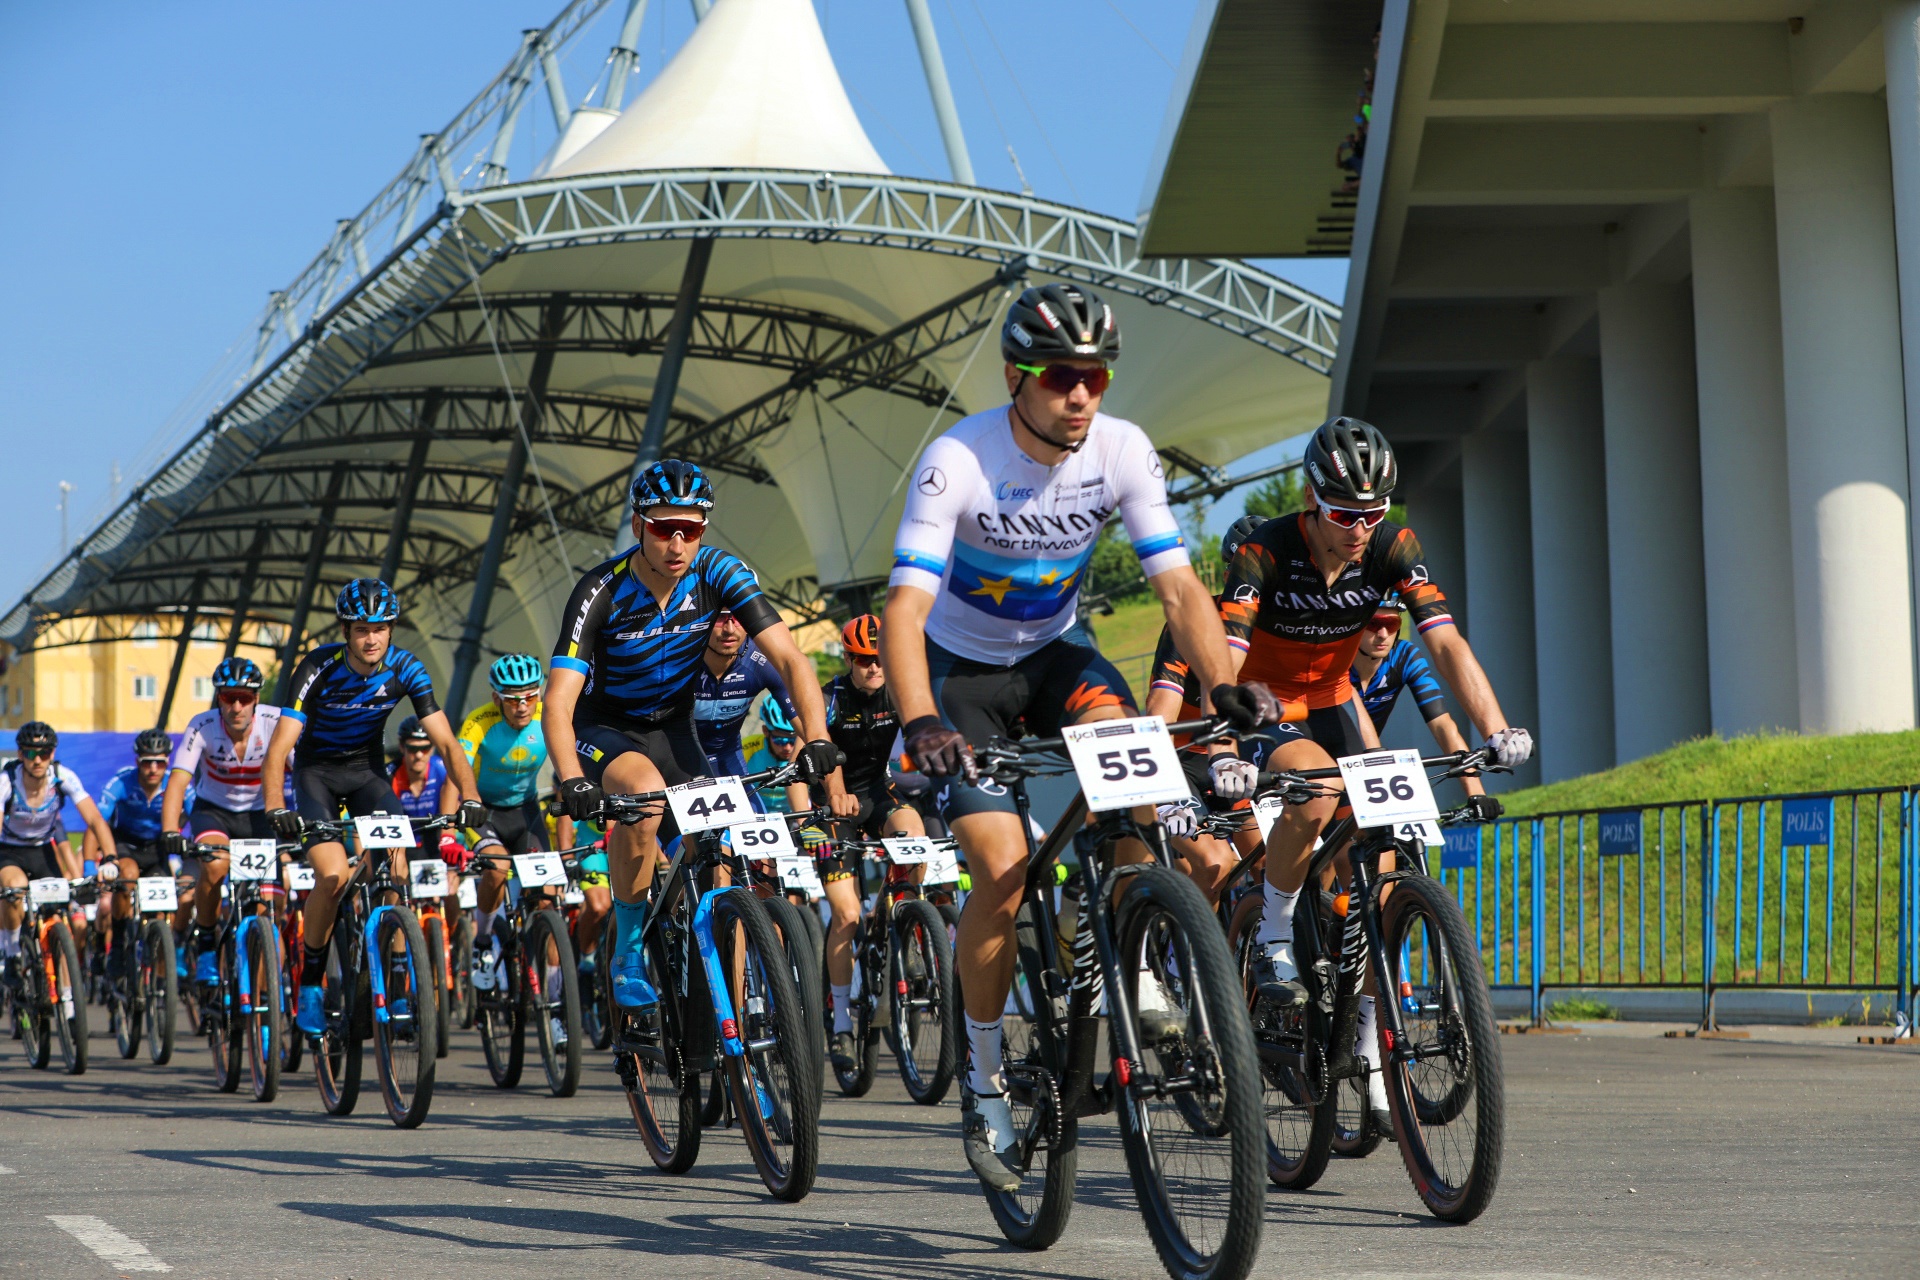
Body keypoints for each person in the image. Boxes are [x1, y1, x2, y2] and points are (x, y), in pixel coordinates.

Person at [879, 283, 1277, 1188]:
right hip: (961, 675)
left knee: (1134, 790)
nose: (1083, 394)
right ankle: (982, 1085)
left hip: (1059, 653)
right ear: (1019, 377)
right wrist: (922, 720)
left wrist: (1223, 683)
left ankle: (1125, 951)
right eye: (1064, 376)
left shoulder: (1124, 449)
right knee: (1001, 866)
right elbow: (903, 608)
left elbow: (1179, 589)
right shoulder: (958, 458)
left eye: (1096, 376)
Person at [1220, 415, 1531, 1131]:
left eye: (1373, 512)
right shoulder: (1265, 550)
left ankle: (1366, 1042)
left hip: (1335, 700)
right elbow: (1229, 653)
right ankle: (1272, 929)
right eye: (1343, 514)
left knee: (1384, 865)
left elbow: (1445, 642)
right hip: (1268, 706)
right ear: (1310, 500)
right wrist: (1230, 746)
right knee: (1320, 787)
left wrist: (1495, 730)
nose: (1360, 528)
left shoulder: (1394, 546)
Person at [544, 459, 848, 1015]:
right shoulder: (600, 590)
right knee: (644, 798)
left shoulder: (719, 572)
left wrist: (820, 736)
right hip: (605, 727)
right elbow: (559, 701)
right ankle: (630, 950)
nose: (678, 542)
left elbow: (789, 657)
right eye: (663, 528)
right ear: (638, 525)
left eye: (692, 528)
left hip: (673, 728)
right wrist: (569, 778)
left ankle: (733, 1030)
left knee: (721, 856)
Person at [261, 578, 484, 1036]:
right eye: (362, 629)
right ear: (346, 630)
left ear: (391, 630)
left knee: (397, 872)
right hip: (315, 774)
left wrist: (471, 795)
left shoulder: (405, 666)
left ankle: (399, 980)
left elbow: (445, 739)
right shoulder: (317, 667)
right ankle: (310, 984)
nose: (372, 639)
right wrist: (275, 805)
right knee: (332, 876)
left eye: (380, 629)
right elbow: (279, 745)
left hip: (367, 774)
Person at [816, 614, 928, 1068]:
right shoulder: (830, 696)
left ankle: (906, 926)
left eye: (879, 659)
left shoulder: (895, 688)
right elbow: (820, 746)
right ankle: (840, 1020)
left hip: (878, 794)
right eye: (863, 660)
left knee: (913, 831)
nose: (873, 667)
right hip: (833, 805)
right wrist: (836, 794)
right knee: (845, 914)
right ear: (848, 658)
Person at [459, 654, 585, 1002]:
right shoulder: (479, 721)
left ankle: (559, 1004)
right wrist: (447, 829)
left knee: (548, 901)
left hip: (526, 812)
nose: (522, 706)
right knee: (497, 871)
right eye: (513, 699)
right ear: (497, 698)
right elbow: (457, 772)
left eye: (530, 696)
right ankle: (482, 943)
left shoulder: (547, 718)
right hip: (484, 813)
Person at [160, 656, 283, 982]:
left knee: (269, 909)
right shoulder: (202, 725)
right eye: (229, 697)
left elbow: (302, 772)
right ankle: (207, 944)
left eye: (245, 697)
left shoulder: (274, 721)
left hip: (259, 815)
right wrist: (171, 829)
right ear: (219, 699)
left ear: (257, 698)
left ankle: (262, 994)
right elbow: (177, 781)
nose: (237, 706)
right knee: (214, 866)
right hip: (214, 812)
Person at [0, 723, 113, 970]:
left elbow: (95, 819)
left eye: (44, 753)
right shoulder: (6, 781)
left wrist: (111, 858)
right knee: (13, 890)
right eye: (30, 753)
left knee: (57, 917)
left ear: (52, 754)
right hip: (9, 851)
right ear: (20, 755)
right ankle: (11, 952)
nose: (37, 760)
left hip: (43, 851)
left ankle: (68, 999)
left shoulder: (63, 777)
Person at [89, 730, 187, 970]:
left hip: (158, 848)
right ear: (137, 762)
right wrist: (90, 864)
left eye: (160, 762)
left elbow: (197, 811)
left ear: (167, 763)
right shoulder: (121, 782)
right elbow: (96, 822)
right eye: (146, 762)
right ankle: (119, 946)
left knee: (161, 907)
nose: (153, 768)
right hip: (127, 844)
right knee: (128, 877)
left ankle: (155, 955)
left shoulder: (175, 784)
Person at [692, 609, 799, 782]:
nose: (730, 629)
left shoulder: (763, 660)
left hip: (726, 755)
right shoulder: (676, 655)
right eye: (720, 617)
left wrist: (836, 791)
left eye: (738, 617)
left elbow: (811, 731)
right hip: (675, 757)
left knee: (753, 810)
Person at [389, 715, 450, 821]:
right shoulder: (389, 774)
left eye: (425, 748)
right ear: (402, 747)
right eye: (412, 749)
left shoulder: (443, 770)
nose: (419, 755)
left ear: (432, 748)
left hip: (437, 834)